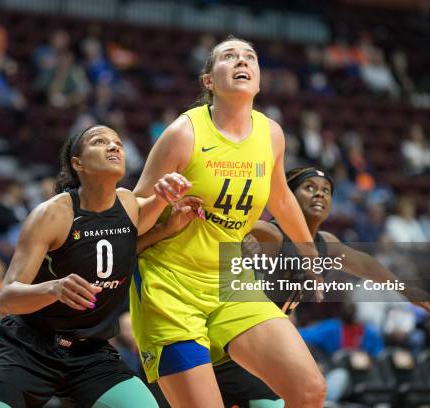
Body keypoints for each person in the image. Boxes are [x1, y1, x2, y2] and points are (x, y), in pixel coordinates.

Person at [130, 36, 326, 408]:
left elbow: (280, 196)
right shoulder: (183, 133)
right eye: (229, 56)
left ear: (258, 77)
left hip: (231, 281)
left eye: (250, 57)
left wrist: (310, 257)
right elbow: (132, 219)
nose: (242, 61)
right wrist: (159, 198)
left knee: (309, 390)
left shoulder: (271, 133)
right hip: (171, 286)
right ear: (208, 81)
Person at [163, 166, 430, 407]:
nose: (320, 194)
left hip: (256, 350)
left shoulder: (324, 243)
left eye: (326, 190)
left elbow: (366, 265)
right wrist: (243, 240)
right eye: (309, 187)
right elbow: (232, 234)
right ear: (288, 198)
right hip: (229, 342)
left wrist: (409, 291)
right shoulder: (271, 233)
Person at [0, 125, 193, 408]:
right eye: (100, 142)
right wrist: (54, 288)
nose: (114, 147)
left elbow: (123, 253)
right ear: (77, 163)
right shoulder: (52, 215)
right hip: (29, 348)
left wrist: (166, 225)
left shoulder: (127, 203)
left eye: (118, 142)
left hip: (89, 352)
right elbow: (5, 300)